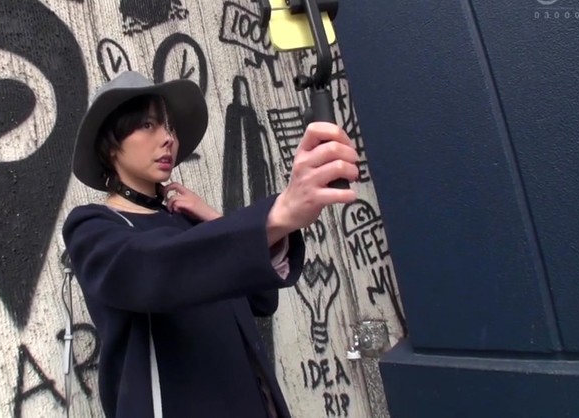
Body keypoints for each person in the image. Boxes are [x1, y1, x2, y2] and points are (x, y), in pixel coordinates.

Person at [62, 71, 359, 418]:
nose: (168, 139)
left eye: (170, 128)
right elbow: (153, 270)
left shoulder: (186, 219)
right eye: (147, 125)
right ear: (110, 144)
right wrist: (278, 214)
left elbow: (262, 298)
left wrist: (214, 218)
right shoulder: (93, 227)